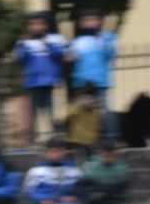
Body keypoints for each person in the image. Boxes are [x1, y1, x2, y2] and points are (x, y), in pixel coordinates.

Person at [13, 11, 68, 144]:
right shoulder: (23, 42)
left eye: (40, 24)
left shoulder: (53, 40)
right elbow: (19, 58)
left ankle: (55, 138)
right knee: (34, 112)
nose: (36, 27)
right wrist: (24, 45)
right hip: (33, 82)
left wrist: (48, 44)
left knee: (52, 112)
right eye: (33, 24)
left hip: (51, 81)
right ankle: (34, 138)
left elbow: (61, 55)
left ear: (46, 26)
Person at [67, 9, 118, 138]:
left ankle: (110, 137)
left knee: (104, 111)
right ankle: (86, 140)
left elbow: (110, 54)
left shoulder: (108, 37)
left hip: (100, 80)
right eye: (86, 20)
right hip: (81, 81)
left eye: (93, 19)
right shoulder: (77, 41)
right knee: (84, 113)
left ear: (101, 21)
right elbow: (72, 60)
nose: (89, 23)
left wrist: (102, 39)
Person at [24, 139, 85, 204]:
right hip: (44, 203)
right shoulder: (36, 172)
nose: (55, 155)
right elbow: (29, 191)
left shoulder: (74, 171)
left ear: (64, 153)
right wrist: (42, 200)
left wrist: (76, 199)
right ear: (45, 154)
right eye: (51, 152)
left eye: (58, 151)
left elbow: (81, 191)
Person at [82, 140, 130, 204]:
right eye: (105, 156)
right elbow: (85, 187)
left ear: (115, 155)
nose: (108, 159)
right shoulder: (91, 167)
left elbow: (123, 188)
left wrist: (124, 201)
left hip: (112, 202)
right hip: (95, 201)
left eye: (111, 156)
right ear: (100, 154)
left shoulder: (121, 168)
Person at [64, 86, 104, 161]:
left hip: (90, 141)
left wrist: (97, 137)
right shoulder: (75, 105)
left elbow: (98, 124)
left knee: (90, 160)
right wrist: (78, 106)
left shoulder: (95, 109)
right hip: (77, 140)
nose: (87, 100)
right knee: (78, 160)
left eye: (89, 97)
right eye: (84, 97)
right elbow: (68, 115)